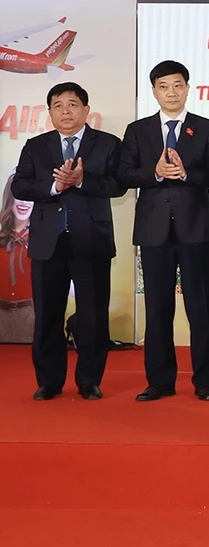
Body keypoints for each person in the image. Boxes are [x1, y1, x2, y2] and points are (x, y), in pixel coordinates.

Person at [11, 82, 126, 400]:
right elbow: (20, 186)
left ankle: (89, 379)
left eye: (73, 104)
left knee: (92, 314)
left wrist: (82, 180)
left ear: (87, 110)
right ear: (49, 112)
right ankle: (49, 380)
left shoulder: (107, 144)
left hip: (91, 240)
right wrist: (54, 187)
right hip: (49, 242)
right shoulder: (36, 146)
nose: (66, 111)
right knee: (47, 313)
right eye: (58, 105)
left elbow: (118, 184)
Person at [120, 60, 209, 402]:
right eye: (164, 86)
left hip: (195, 228)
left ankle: (205, 381)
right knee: (158, 307)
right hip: (154, 231)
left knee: (201, 307)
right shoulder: (138, 130)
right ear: (154, 91)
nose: (172, 92)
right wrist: (156, 172)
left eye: (178, 85)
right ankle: (160, 381)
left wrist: (186, 173)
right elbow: (125, 175)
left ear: (187, 88)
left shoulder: (206, 128)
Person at [1, 171, 34, 343]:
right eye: (18, 195)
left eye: (29, 196)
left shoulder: (43, 238)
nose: (24, 202)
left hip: (32, 315)